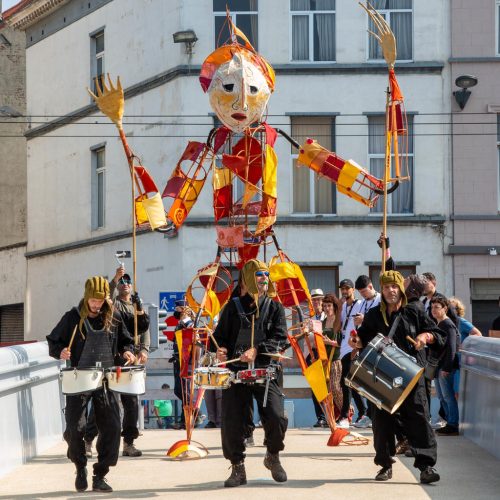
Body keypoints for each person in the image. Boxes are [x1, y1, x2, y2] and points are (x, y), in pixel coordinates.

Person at [352, 270, 445, 484]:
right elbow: (363, 338)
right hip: (383, 376)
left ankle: (426, 466)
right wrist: (356, 342)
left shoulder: (415, 311)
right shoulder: (375, 315)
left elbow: (438, 335)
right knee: (381, 422)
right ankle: (385, 464)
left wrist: (425, 336)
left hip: (411, 376)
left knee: (418, 418)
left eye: (394, 286)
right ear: (381, 291)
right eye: (386, 287)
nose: (391, 290)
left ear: (400, 289)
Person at [47, 276, 135, 493]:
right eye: (93, 301)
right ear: (86, 298)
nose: (96, 305)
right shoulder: (72, 318)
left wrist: (128, 352)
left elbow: (127, 341)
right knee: (74, 429)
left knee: (113, 426)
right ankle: (80, 466)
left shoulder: (113, 316)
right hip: (79, 378)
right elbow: (53, 340)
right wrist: (61, 352)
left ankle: (100, 474)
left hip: (105, 379)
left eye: (100, 301)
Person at [213, 259, 288, 487]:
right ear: (247, 279)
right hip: (236, 373)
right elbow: (218, 338)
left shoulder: (275, 307)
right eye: (258, 275)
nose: (264, 279)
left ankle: (272, 455)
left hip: (266, 372)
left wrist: (259, 350)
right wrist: (220, 350)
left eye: (266, 275)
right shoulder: (232, 307)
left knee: (276, 417)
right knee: (232, 421)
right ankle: (237, 467)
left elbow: (280, 339)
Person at [109, 268, 150, 457]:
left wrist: (144, 349)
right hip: (113, 355)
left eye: (127, 280)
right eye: (121, 281)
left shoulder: (137, 305)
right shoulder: (112, 304)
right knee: (106, 402)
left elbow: (144, 330)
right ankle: (89, 440)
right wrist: (115, 277)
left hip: (131, 357)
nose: (125, 283)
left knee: (132, 403)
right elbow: (106, 296)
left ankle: (128, 442)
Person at [352, 275, 382, 428]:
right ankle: (369, 415)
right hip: (364, 346)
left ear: (371, 286)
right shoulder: (363, 303)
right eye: (360, 292)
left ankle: (375, 415)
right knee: (367, 383)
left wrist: (364, 319)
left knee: (377, 383)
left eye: (364, 291)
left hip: (378, 346)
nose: (362, 295)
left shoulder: (381, 300)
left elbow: (381, 323)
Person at [430, 296, 460, 436]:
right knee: (442, 397)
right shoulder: (439, 324)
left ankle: (453, 424)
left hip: (445, 367)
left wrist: (447, 368)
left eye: (437, 307)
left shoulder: (447, 324)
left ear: (445, 309)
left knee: (448, 397)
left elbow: (452, 348)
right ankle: (449, 422)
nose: (433, 310)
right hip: (438, 366)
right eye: (432, 307)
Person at [338, 278, 365, 429]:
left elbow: (363, 325)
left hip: (354, 347)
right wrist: (339, 307)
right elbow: (338, 327)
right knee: (352, 382)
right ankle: (363, 411)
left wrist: (357, 347)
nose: (344, 291)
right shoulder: (343, 307)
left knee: (345, 380)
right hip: (343, 347)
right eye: (342, 289)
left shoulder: (360, 304)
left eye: (347, 288)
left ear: (353, 290)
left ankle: (344, 416)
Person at [321, 293, 343, 420]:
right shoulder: (323, 322)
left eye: (329, 305)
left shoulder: (338, 320)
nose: (326, 308)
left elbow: (343, 342)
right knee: (329, 390)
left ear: (334, 306)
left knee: (335, 387)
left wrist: (329, 342)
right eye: (324, 306)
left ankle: (346, 411)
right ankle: (336, 415)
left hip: (336, 358)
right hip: (325, 360)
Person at [308, 288, 327, 427]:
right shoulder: (309, 319)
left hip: (327, 353)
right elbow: (307, 339)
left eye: (319, 299)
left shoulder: (330, 316)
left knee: (329, 386)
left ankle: (331, 415)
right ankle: (320, 417)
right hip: (313, 354)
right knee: (315, 386)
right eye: (314, 300)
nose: (317, 302)